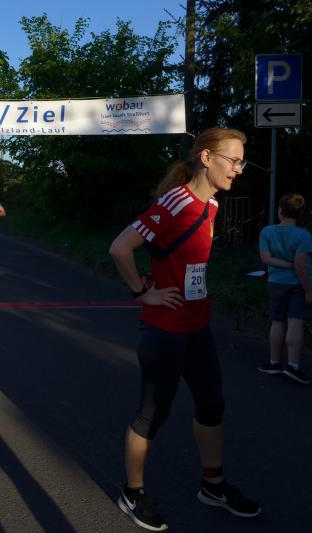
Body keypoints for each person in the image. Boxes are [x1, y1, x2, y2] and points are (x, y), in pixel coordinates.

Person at [109, 127, 261, 531]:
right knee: (152, 414)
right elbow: (120, 247)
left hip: (197, 326)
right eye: (233, 160)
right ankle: (132, 493)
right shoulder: (176, 201)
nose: (239, 169)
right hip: (165, 328)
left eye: (242, 161)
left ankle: (213, 485)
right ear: (207, 158)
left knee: (212, 405)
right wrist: (144, 292)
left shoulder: (211, 205)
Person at [258, 193, 312, 384]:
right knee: (295, 322)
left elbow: (266, 259)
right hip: (297, 285)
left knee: (277, 322)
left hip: (275, 282)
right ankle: (293, 366)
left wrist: (286, 265)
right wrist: (309, 290)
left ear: (280, 210)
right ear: (300, 213)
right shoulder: (304, 236)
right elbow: (300, 265)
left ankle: (274, 362)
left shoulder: (267, 232)